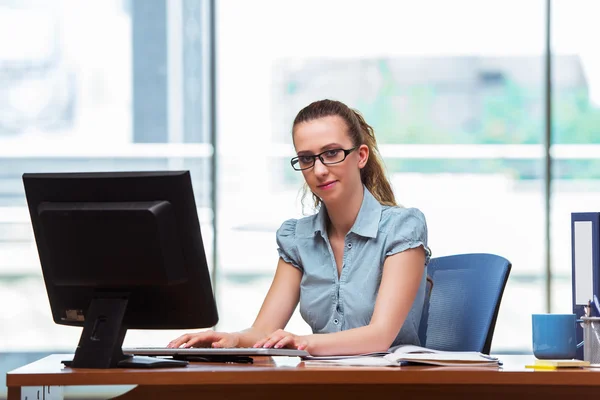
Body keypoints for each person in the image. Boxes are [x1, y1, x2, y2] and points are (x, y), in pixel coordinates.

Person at [168, 99, 431, 356]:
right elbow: (263, 331)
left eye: (331, 153)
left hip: (392, 386)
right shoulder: (297, 238)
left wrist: (303, 342)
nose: (318, 170)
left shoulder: (401, 227)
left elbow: (380, 336)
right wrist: (233, 339)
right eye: (306, 158)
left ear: (361, 156)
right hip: (320, 382)